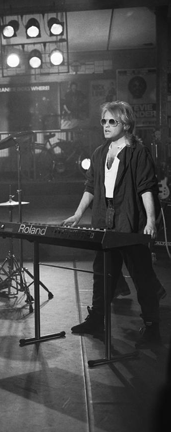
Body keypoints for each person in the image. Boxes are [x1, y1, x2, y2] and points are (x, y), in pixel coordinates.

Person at [63, 100, 162, 347]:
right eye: (103, 121)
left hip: (129, 220)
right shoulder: (99, 152)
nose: (106, 125)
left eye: (112, 121)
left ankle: (152, 328)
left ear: (126, 124)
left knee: (141, 276)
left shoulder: (138, 152)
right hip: (104, 219)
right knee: (102, 274)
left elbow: (146, 188)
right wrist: (78, 214)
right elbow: (90, 187)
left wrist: (150, 220)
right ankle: (97, 320)